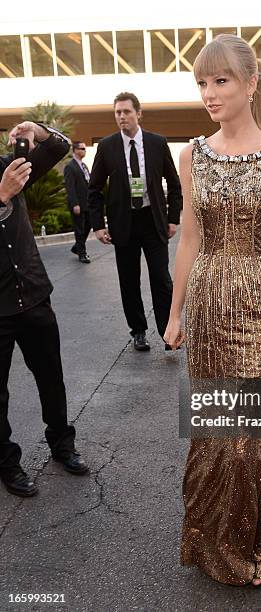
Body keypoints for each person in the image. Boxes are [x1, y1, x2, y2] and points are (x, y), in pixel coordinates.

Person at [164, 35, 261, 587]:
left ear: (251, 84)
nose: (209, 92)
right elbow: (188, 239)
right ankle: (213, 541)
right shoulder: (192, 155)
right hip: (206, 299)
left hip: (259, 303)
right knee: (214, 429)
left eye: (220, 80)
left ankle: (254, 532)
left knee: (245, 434)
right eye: (202, 82)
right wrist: (176, 310)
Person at [0, 121, 89, 498]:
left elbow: (60, 146)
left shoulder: (9, 166)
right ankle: (7, 463)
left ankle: (62, 444)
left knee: (51, 378)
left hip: (34, 295)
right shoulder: (6, 181)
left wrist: (36, 128)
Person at [88, 92, 182, 351]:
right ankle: (138, 331)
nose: (122, 117)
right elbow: (94, 189)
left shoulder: (156, 143)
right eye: (117, 112)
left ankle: (168, 332)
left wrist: (173, 219)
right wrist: (98, 225)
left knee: (161, 278)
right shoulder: (107, 147)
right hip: (123, 223)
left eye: (126, 112)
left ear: (138, 114)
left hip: (153, 221)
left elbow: (174, 185)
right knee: (129, 281)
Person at [64, 141, 91, 263]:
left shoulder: (84, 166)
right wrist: (75, 203)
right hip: (78, 204)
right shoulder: (70, 167)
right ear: (75, 150)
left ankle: (76, 247)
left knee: (88, 225)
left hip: (87, 202)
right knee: (79, 229)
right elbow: (70, 187)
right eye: (82, 149)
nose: (84, 151)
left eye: (85, 149)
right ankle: (82, 254)